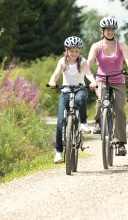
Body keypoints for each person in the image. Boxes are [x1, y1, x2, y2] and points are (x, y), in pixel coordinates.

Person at [87, 16, 128, 156]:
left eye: (112, 29)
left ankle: (120, 143)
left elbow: (127, 58)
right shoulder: (96, 46)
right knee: (102, 100)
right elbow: (89, 61)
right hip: (101, 79)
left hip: (118, 80)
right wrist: (87, 75)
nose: (109, 31)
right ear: (102, 30)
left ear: (115, 31)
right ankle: (97, 121)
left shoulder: (121, 45)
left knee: (119, 109)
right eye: (107, 29)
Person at [48, 36, 97, 164]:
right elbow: (56, 74)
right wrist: (52, 81)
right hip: (65, 91)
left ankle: (84, 123)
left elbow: (88, 73)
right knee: (59, 123)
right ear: (66, 50)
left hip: (79, 89)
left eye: (76, 51)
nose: (74, 53)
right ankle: (59, 152)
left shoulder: (82, 61)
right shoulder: (62, 62)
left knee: (81, 100)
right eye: (71, 51)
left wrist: (93, 82)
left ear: (79, 51)